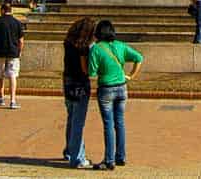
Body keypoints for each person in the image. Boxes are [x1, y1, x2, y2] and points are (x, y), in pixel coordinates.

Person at [88, 20, 144, 170]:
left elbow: (92, 73)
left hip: (106, 89)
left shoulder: (96, 49)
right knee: (119, 122)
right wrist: (131, 76)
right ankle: (121, 156)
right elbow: (139, 58)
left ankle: (109, 160)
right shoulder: (120, 45)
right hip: (122, 88)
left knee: (108, 124)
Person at [62, 17, 97, 169]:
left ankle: (70, 150)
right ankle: (78, 158)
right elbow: (85, 69)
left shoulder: (68, 42)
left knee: (71, 117)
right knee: (78, 121)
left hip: (68, 80)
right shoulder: (83, 47)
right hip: (80, 83)